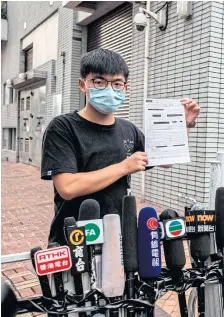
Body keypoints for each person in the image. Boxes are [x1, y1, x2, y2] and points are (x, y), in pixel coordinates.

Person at [41, 49, 201, 244]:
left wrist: (183, 124)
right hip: (75, 238)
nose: (109, 89)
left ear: (125, 87)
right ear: (83, 84)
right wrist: (125, 166)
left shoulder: (128, 130)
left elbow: (164, 160)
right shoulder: (63, 127)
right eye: (99, 82)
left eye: (116, 83)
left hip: (119, 236)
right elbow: (67, 186)